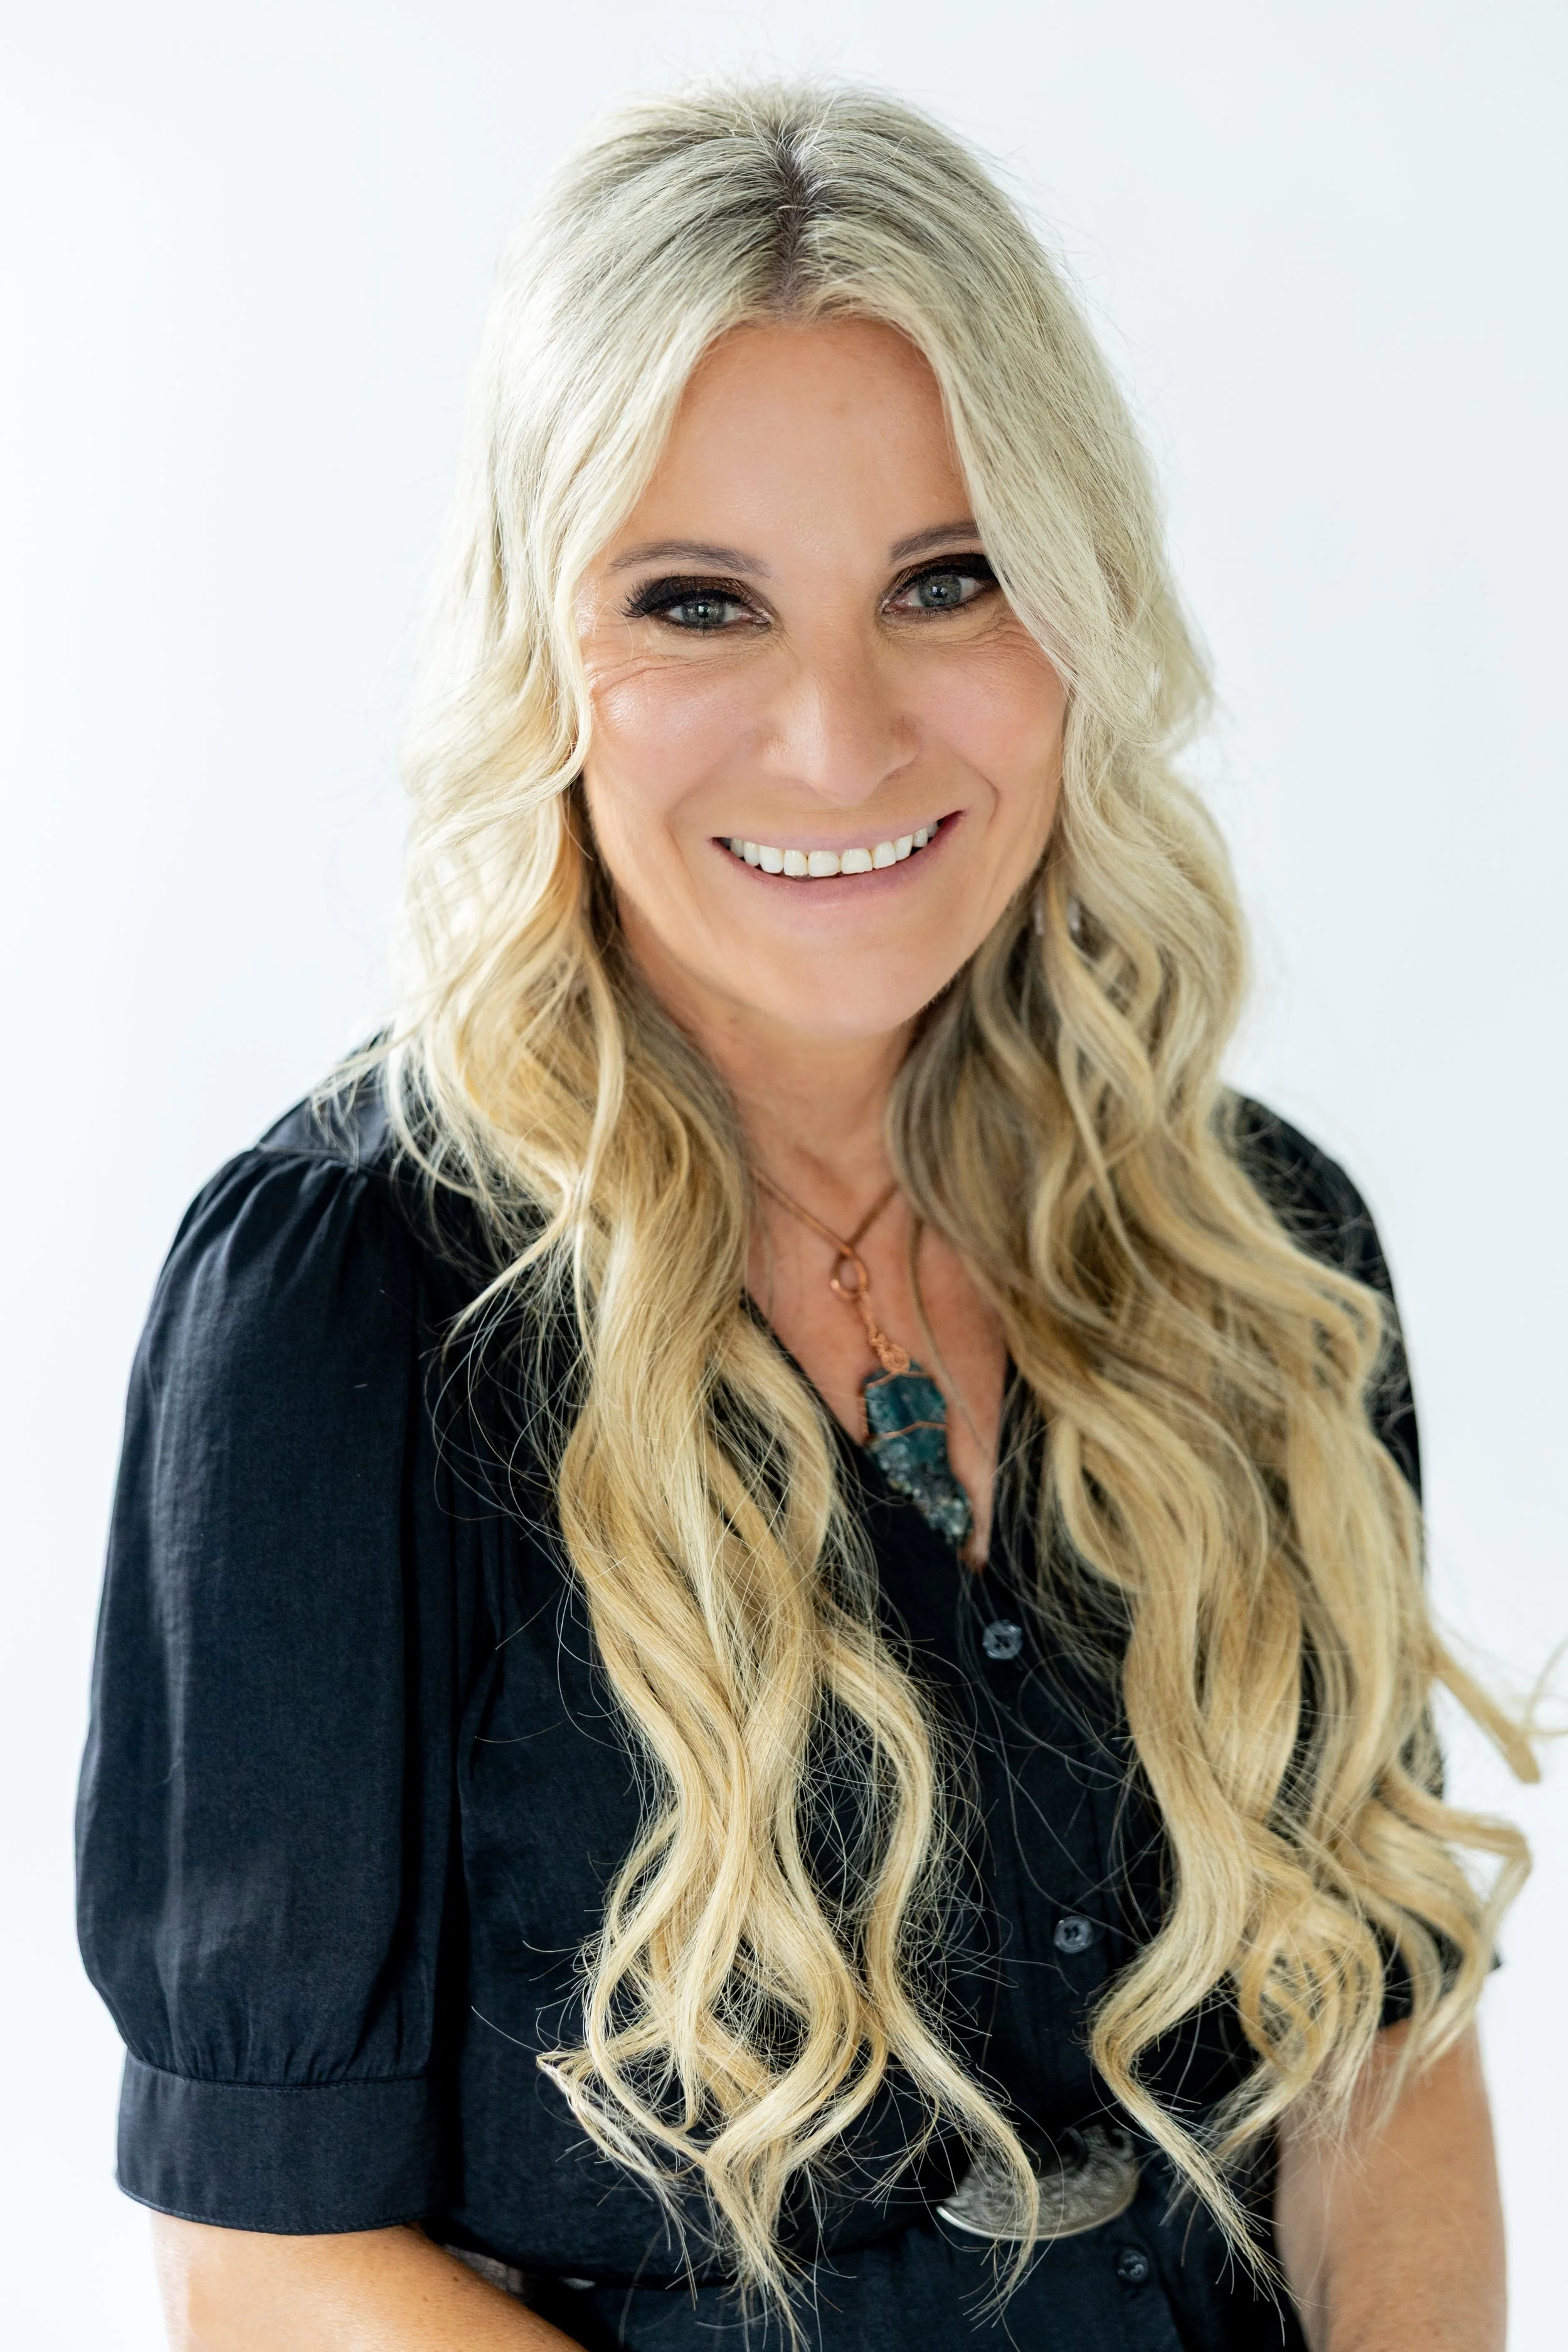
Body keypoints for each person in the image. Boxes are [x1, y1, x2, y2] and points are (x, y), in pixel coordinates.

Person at [77, 79, 1533, 2352]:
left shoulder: (1261, 1248)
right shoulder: (345, 1304)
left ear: (1080, 604)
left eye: (944, 580)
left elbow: (1370, 2042)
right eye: (697, 604)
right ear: (543, 656)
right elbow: (268, 2265)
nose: (837, 740)